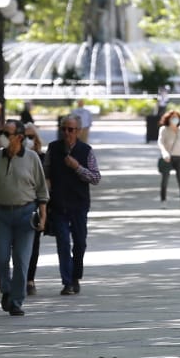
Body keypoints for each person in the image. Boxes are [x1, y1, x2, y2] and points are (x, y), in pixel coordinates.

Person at [0, 118, 48, 317]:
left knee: (21, 260)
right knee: (0, 257)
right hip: (0, 215)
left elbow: (42, 190)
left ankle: (16, 301)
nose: (3, 137)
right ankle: (6, 289)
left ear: (19, 137)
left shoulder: (32, 158)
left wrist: (43, 216)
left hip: (26, 215)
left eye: (7, 134)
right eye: (2, 132)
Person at [47, 113, 101, 295]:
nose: (66, 133)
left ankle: (76, 275)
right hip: (59, 204)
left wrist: (77, 167)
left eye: (70, 130)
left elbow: (95, 178)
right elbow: (46, 174)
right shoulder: (53, 149)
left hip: (79, 204)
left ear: (78, 131)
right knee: (63, 243)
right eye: (63, 129)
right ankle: (67, 281)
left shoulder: (86, 150)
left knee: (80, 243)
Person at [22, 122, 47, 296]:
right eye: (25, 137)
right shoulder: (11, 158)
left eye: (32, 137)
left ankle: (29, 279)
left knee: (33, 245)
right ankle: (18, 277)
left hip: (35, 208)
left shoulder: (43, 158)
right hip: (15, 207)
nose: (28, 140)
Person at [158, 109, 180, 208]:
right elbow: (160, 142)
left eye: (177, 117)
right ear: (168, 118)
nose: (175, 119)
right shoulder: (164, 129)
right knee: (165, 180)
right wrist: (164, 153)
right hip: (167, 157)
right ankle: (163, 201)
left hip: (179, 156)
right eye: (173, 117)